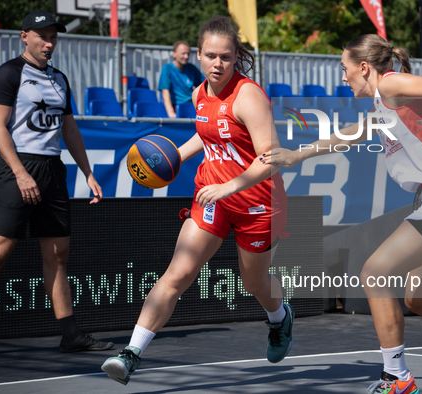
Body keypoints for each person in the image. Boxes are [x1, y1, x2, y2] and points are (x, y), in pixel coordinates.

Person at [263, 34, 422, 394]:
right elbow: (351, 135)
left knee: (374, 272)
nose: (343, 76)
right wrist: (296, 155)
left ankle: (396, 377)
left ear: (364, 67)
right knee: (421, 298)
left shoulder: (391, 83)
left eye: (345, 68)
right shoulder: (382, 104)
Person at [101, 16, 291, 385]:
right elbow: (208, 136)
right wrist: (172, 156)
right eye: (210, 56)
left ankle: (280, 317)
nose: (217, 64)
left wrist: (230, 186)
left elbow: (271, 157)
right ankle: (131, 354)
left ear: (237, 56)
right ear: (198, 55)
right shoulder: (199, 93)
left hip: (256, 202)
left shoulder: (248, 95)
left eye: (225, 56)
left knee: (253, 282)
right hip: (212, 196)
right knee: (179, 273)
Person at [0, 10, 113, 353]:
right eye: (42, 35)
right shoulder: (8, 74)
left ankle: (70, 335)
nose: (49, 42)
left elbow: (69, 129)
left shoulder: (59, 79)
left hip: (53, 169)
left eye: (53, 36)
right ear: (24, 36)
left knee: (58, 253)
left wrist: (88, 172)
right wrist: (21, 173)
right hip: (17, 167)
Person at [158, 40, 204, 118]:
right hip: (177, 107)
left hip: (193, 105)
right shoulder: (167, 68)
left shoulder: (192, 68)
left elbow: (205, 85)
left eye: (188, 54)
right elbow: (165, 92)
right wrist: (171, 113)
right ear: (174, 54)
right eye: (183, 53)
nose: (186, 57)